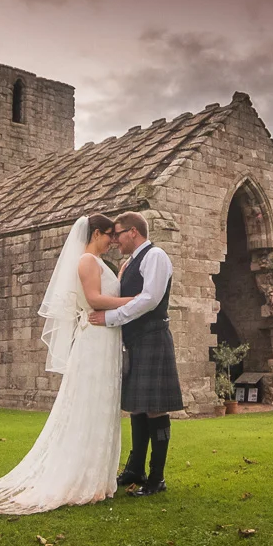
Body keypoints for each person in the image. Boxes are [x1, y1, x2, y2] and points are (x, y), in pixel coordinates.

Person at [0, 213, 132, 514]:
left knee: (102, 405)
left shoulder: (99, 263)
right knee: (89, 405)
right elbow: (94, 299)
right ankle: (79, 478)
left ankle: (96, 478)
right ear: (96, 233)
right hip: (94, 340)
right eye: (110, 235)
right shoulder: (87, 262)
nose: (113, 241)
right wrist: (136, 300)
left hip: (105, 338)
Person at [89, 211, 183, 497]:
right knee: (138, 406)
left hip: (153, 337)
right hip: (137, 340)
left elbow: (150, 299)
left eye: (117, 234)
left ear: (133, 232)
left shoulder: (155, 256)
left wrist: (111, 317)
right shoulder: (130, 262)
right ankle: (136, 469)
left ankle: (156, 478)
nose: (115, 240)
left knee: (155, 407)